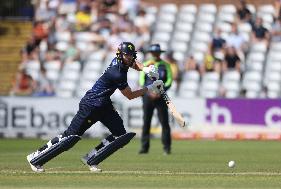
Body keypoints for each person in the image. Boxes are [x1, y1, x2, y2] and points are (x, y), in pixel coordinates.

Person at [27, 42, 162, 173]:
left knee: (120, 134)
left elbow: (134, 63)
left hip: (104, 105)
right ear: (120, 55)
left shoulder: (122, 60)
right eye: (127, 55)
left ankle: (92, 159)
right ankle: (35, 157)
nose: (130, 57)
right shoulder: (117, 73)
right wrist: (149, 88)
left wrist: (145, 69)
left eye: (132, 55)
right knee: (70, 137)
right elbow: (130, 95)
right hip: (90, 104)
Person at [139, 44, 173, 155]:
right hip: (148, 96)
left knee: (164, 122)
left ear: (160, 53)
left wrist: (160, 91)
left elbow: (169, 81)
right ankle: (144, 147)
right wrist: (149, 92)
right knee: (146, 121)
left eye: (157, 52)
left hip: (161, 96)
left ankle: (166, 148)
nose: (155, 54)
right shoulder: (145, 65)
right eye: (153, 52)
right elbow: (141, 81)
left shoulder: (165, 65)